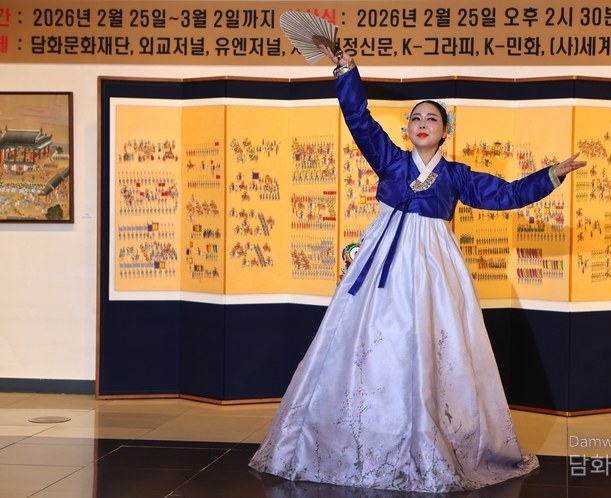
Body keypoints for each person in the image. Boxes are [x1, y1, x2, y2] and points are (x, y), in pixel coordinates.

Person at [249, 46, 586, 493]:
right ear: (407, 130)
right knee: (372, 340)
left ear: (445, 131)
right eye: (416, 118)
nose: (422, 123)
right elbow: (359, 119)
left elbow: (505, 195)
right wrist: (346, 71)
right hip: (383, 262)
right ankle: (361, 434)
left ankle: (433, 436)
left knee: (432, 343)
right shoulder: (389, 160)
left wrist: (551, 175)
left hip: (433, 265)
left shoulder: (457, 175)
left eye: (432, 118)